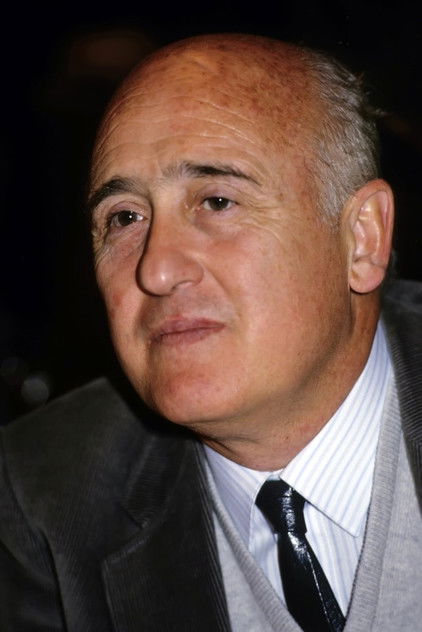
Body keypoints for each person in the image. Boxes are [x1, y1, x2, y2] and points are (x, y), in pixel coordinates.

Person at [0, 33, 421, 632]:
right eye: (124, 217)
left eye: (217, 201)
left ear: (362, 238)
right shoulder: (40, 496)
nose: (156, 270)